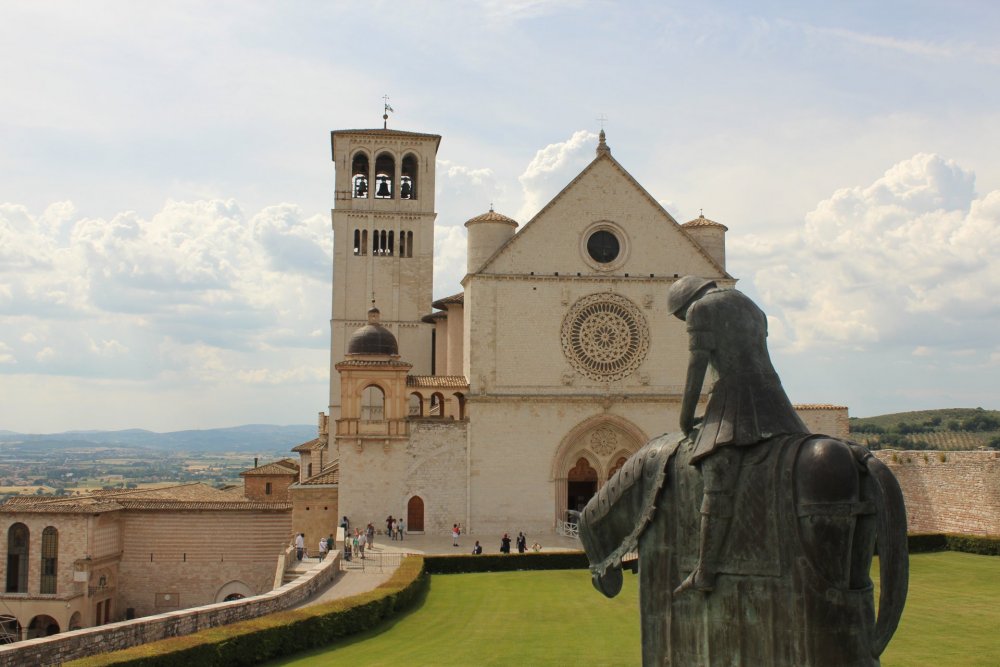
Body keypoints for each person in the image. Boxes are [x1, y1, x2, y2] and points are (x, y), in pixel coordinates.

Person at [667, 276, 808, 595]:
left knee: (717, 475)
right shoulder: (751, 304)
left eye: (680, 317)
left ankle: (705, 571)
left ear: (685, 305)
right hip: (775, 398)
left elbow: (697, 366)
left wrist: (686, 416)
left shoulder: (700, 309)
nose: (684, 321)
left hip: (736, 398)